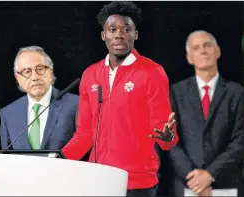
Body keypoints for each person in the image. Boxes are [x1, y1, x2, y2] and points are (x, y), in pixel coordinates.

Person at [62, 2, 179, 196]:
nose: (119, 34)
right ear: (103, 35)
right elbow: (84, 135)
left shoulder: (152, 72)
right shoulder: (91, 74)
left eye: (126, 29)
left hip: (135, 183)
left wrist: (168, 137)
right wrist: (59, 159)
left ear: (135, 35)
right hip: (98, 179)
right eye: (112, 29)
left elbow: (164, 132)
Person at [168, 30, 243, 196]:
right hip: (188, 184)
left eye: (207, 45)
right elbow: (170, 139)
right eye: (196, 48)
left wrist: (210, 174)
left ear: (218, 51)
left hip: (226, 184)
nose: (203, 50)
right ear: (189, 58)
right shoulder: (175, 92)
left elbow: (240, 140)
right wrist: (194, 178)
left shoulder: (237, 92)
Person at [0, 46, 78, 150]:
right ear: (18, 78)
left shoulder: (76, 104)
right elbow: (7, 159)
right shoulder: (8, 113)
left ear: (50, 71)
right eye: (27, 72)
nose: (35, 77)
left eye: (40, 69)